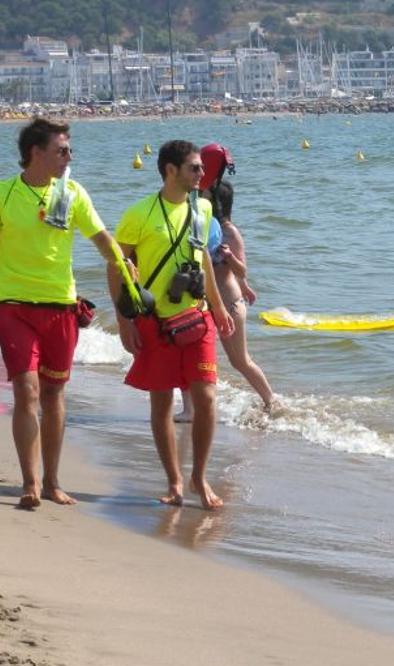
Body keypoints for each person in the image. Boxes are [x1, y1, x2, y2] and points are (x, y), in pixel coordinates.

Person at [0, 117, 126, 509]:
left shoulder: (72, 194)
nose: (69, 156)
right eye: (62, 150)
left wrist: (123, 265)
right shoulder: (2, 194)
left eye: (69, 150)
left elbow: (101, 237)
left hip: (61, 306)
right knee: (26, 389)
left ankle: (53, 480)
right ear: (36, 152)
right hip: (15, 305)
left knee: (54, 392)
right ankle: (30, 481)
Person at [115, 140, 235, 511]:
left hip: (196, 317)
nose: (202, 174)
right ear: (171, 170)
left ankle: (199, 475)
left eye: (201, 168)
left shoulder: (203, 207)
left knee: (206, 398)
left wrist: (218, 307)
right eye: (194, 168)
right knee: (162, 401)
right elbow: (117, 268)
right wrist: (125, 321)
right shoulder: (139, 214)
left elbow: (202, 264)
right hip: (155, 321)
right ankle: (174, 481)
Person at [177, 179, 274, 422]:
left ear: (217, 200)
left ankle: (271, 402)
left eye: (205, 193)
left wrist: (230, 258)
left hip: (229, 304)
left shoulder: (229, 231)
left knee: (240, 360)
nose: (200, 195)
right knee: (186, 354)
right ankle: (189, 410)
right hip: (204, 303)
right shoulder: (202, 225)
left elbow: (241, 270)